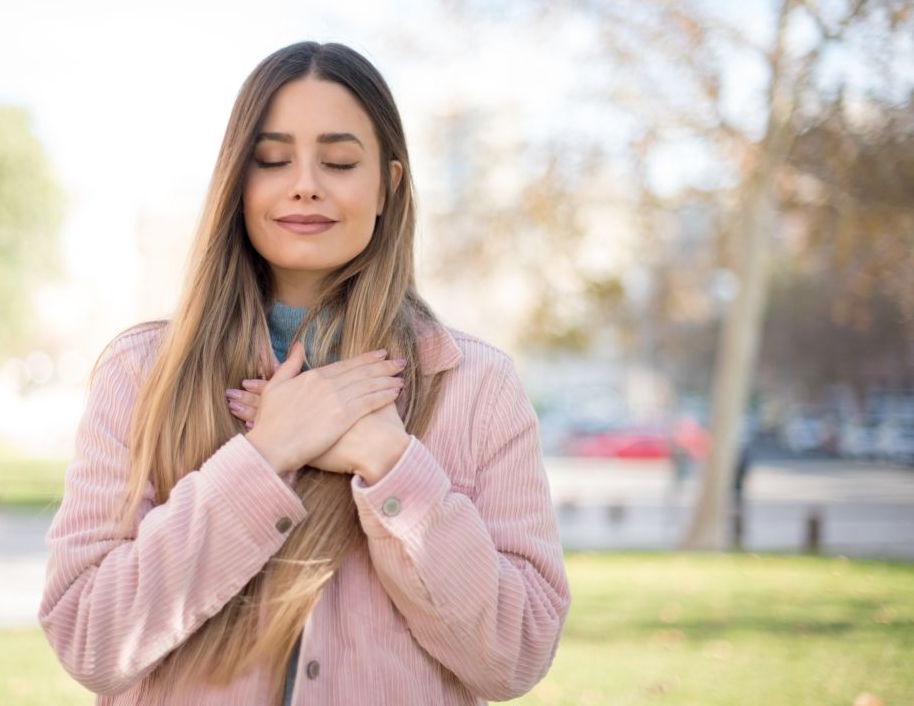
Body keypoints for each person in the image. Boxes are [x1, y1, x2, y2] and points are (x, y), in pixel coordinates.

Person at [39, 41, 570, 705]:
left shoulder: (479, 386)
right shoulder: (140, 374)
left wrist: (390, 461)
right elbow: (91, 638)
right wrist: (266, 455)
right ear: (238, 182)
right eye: (272, 158)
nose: (305, 182)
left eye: (341, 160)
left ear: (389, 187)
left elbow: (515, 656)